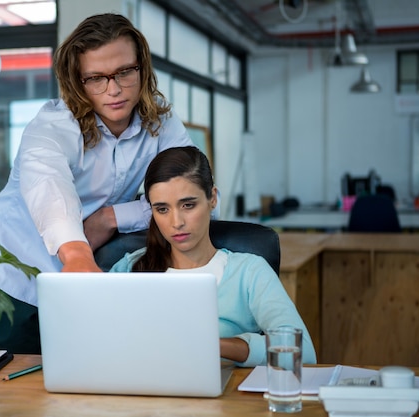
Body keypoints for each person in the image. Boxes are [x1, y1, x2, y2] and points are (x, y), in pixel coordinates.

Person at [0, 13, 194, 353]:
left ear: (142, 68)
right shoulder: (50, 126)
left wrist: (111, 218)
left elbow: (193, 197)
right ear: (78, 81)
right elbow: (50, 187)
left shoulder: (163, 125)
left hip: (94, 267)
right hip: (16, 268)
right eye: (96, 78)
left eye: (125, 71)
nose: (115, 89)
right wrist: (76, 252)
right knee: (23, 384)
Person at [110, 146, 317, 367]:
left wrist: (214, 346)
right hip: (139, 395)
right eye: (162, 209)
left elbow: (302, 352)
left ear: (213, 198)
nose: (176, 222)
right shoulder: (129, 268)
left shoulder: (249, 272)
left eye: (188, 205)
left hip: (222, 398)